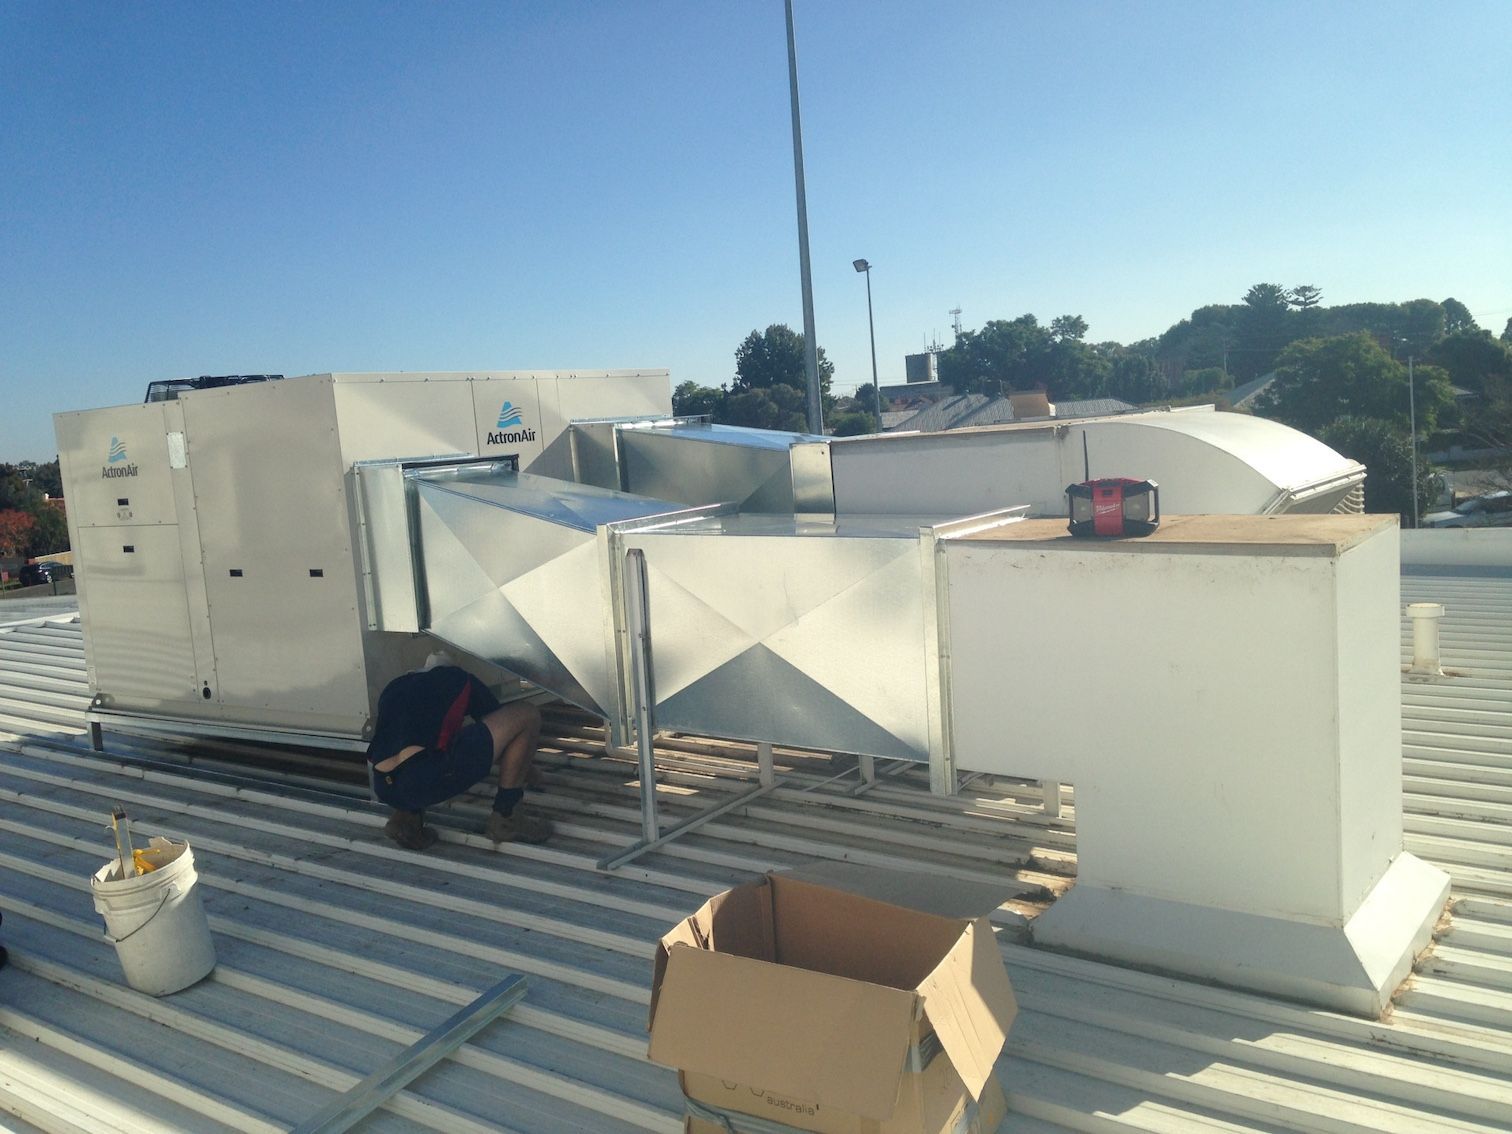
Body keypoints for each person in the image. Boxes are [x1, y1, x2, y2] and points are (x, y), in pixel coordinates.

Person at [367, 652, 552, 850]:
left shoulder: (395, 686)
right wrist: (530, 772)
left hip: (383, 785)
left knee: (418, 749)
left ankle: (405, 819)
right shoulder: (460, 679)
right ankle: (507, 817)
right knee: (526, 715)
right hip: (424, 780)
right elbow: (506, 733)